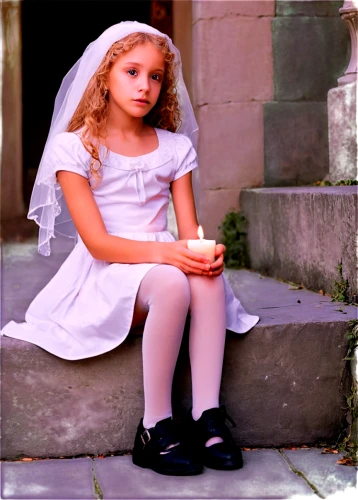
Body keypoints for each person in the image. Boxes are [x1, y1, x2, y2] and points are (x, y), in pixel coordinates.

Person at [1, 21, 259, 476]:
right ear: (105, 75)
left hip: (161, 261)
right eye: (132, 72)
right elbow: (98, 244)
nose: (145, 86)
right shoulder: (75, 148)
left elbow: (187, 227)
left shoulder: (175, 148)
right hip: (108, 271)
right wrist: (172, 255)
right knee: (173, 281)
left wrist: (203, 249)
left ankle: (206, 416)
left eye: (156, 76)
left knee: (203, 274)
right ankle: (154, 425)